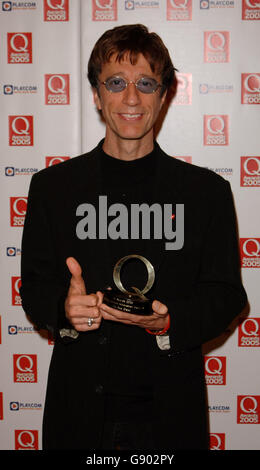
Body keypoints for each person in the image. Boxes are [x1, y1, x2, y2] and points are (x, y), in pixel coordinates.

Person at [20, 24, 247, 450]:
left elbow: (227, 296)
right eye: (116, 83)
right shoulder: (53, 188)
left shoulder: (205, 193)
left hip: (169, 418)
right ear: (97, 93)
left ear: (163, 95)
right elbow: (33, 287)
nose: (131, 98)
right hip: (79, 416)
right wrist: (62, 307)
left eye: (146, 83)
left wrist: (169, 321)